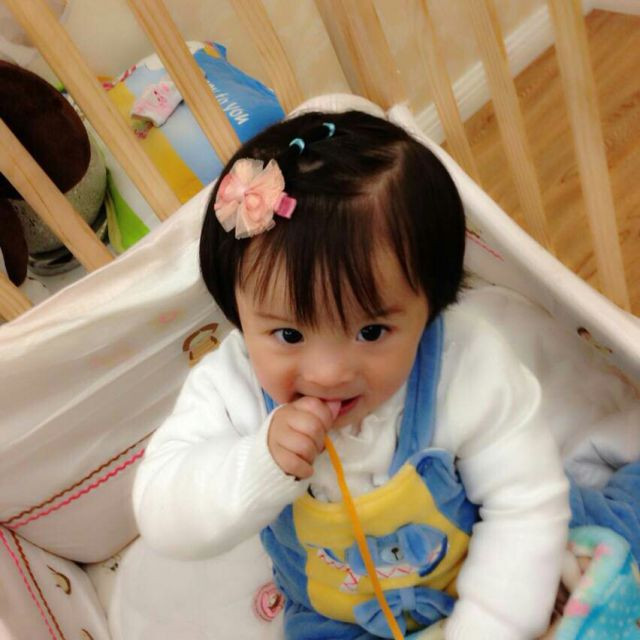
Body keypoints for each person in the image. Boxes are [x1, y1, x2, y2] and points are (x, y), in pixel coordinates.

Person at [133, 110, 570, 639]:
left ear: (431, 305)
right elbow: (161, 511)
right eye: (288, 334)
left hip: (483, 571)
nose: (328, 373)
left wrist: (488, 625)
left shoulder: (465, 363)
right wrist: (260, 463)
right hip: (334, 616)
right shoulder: (233, 385)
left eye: (371, 331)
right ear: (238, 314)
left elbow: (525, 505)